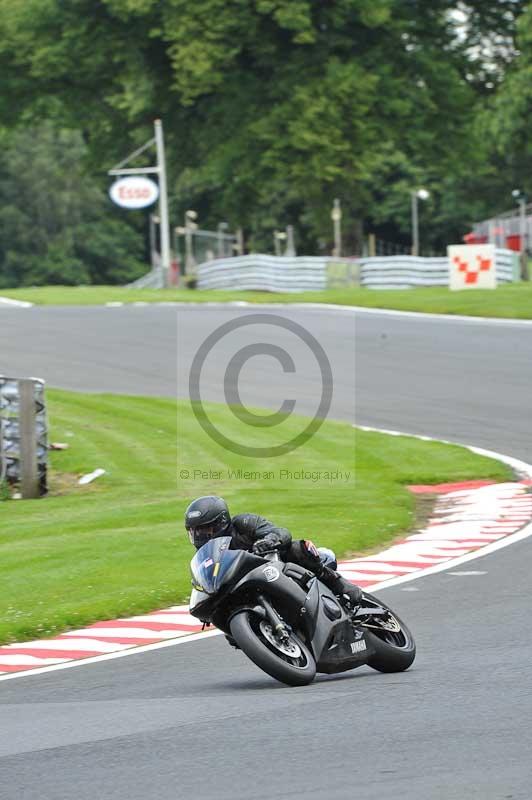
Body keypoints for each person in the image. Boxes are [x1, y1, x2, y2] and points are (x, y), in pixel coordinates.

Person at [184, 495, 362, 608]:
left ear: (220, 522)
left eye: (204, 530)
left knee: (298, 548)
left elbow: (281, 532)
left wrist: (268, 541)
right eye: (194, 532)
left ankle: (339, 583)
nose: (200, 536)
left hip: (276, 566)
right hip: (245, 586)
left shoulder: (243, 523)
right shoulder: (205, 557)